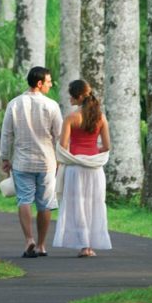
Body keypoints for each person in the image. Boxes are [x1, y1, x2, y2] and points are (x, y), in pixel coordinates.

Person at [0, 66, 62, 258]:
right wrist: (60, 159)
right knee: (45, 204)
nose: (51, 85)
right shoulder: (51, 105)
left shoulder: (15, 104)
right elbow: (59, 135)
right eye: (49, 82)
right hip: (47, 162)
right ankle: (42, 245)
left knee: (24, 199)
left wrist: (5, 157)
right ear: (40, 83)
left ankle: (29, 240)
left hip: (22, 162)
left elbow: (7, 133)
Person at [53, 79, 112, 257]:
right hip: (95, 168)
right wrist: (93, 152)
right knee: (95, 204)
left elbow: (62, 147)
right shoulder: (100, 117)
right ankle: (91, 246)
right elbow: (107, 146)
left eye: (71, 95)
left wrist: (76, 156)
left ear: (78, 96)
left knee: (78, 205)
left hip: (75, 168)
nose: (69, 98)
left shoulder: (71, 118)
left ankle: (83, 245)